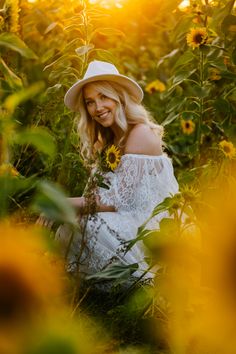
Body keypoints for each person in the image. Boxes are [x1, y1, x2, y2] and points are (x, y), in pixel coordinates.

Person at [55, 60, 179, 283]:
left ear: (119, 98)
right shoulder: (109, 140)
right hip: (128, 213)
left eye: (103, 97)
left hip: (149, 224)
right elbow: (99, 193)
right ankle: (89, 285)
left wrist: (60, 203)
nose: (98, 108)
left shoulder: (139, 134)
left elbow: (117, 200)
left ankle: (128, 283)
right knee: (72, 224)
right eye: (90, 102)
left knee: (88, 224)